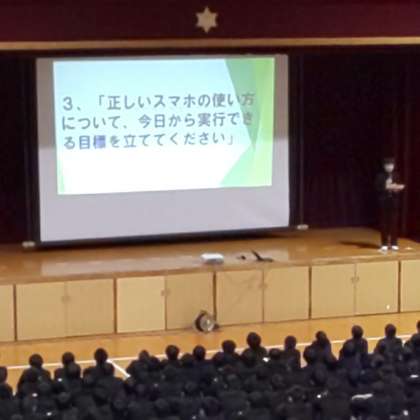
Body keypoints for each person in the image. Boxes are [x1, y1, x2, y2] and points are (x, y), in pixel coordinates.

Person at [375, 157, 405, 251]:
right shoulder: (380, 176)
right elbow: (377, 188)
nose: (390, 167)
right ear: (384, 166)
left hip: (394, 201)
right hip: (383, 201)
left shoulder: (396, 175)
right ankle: (384, 243)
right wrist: (386, 187)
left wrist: (397, 188)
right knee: (384, 222)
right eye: (388, 165)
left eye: (391, 165)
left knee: (394, 222)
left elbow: (399, 185)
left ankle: (394, 243)